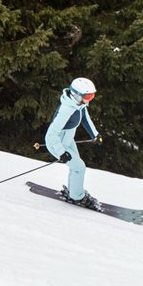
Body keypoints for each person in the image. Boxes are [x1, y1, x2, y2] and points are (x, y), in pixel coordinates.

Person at [44, 76, 102, 208]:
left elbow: (85, 119)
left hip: (68, 139)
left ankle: (73, 192)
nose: (89, 100)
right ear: (76, 95)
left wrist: (95, 134)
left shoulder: (79, 105)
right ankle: (77, 197)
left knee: (76, 167)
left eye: (91, 97)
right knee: (79, 167)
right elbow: (52, 134)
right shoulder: (66, 110)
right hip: (56, 143)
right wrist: (61, 152)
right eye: (88, 97)